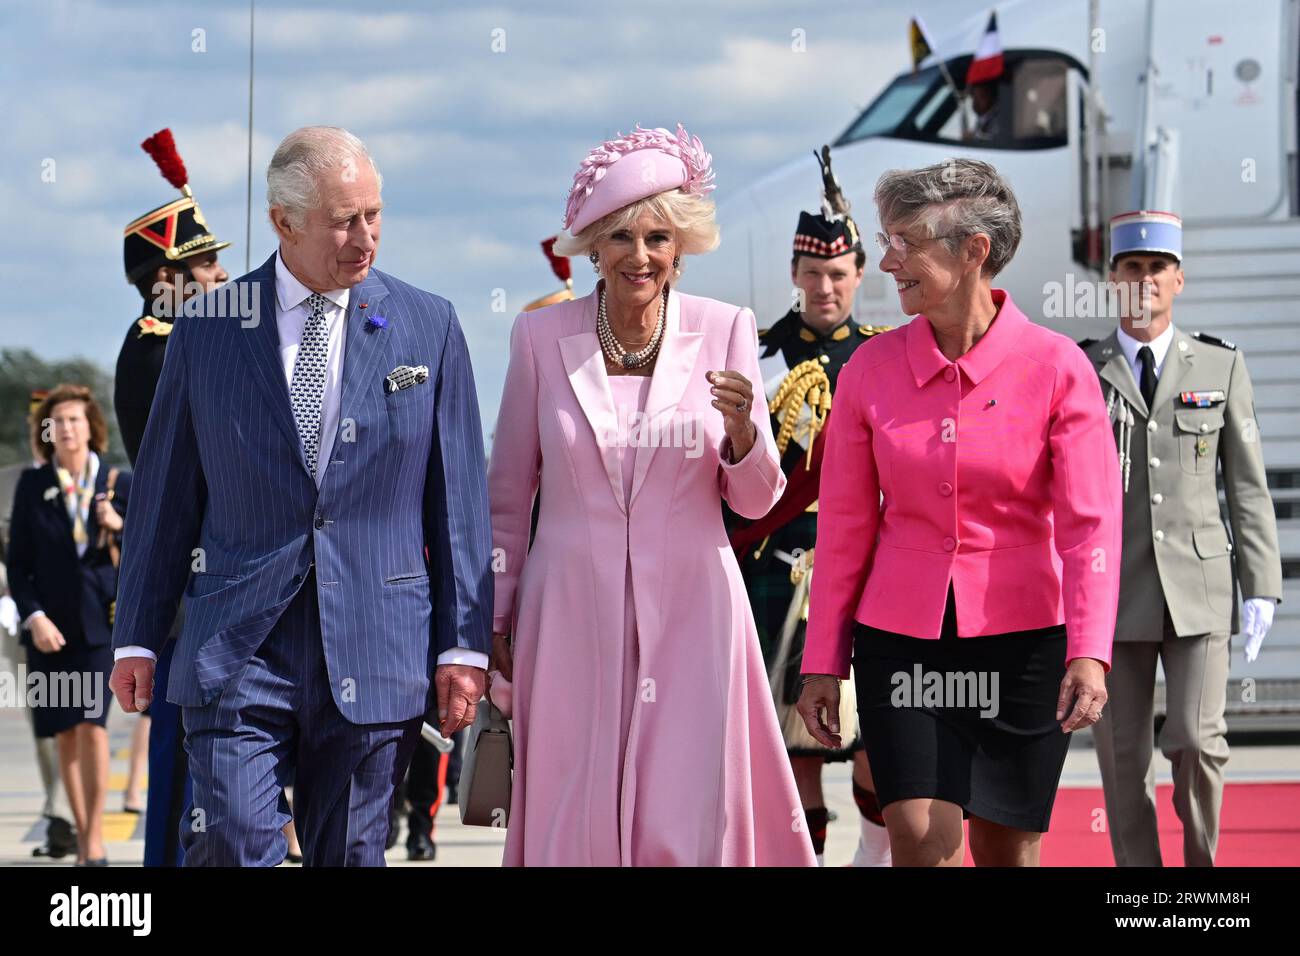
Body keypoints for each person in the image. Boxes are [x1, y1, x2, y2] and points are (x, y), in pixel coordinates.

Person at [108, 125, 494, 867]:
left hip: (377, 639)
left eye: (374, 214)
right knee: (228, 841)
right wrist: (137, 633)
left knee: (349, 853)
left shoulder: (429, 326)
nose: (366, 237)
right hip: (237, 646)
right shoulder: (207, 329)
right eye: (344, 220)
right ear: (283, 222)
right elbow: (165, 495)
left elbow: (458, 506)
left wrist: (461, 643)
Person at [488, 124, 816, 866]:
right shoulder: (539, 340)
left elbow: (757, 501)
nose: (642, 256)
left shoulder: (726, 329)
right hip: (568, 605)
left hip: (696, 606)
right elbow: (507, 496)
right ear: (594, 248)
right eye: (623, 237)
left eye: (660, 238)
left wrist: (741, 432)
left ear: (683, 247)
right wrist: (497, 615)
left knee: (686, 802)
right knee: (573, 798)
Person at [797, 158, 1122, 867]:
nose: (887, 261)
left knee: (1007, 850)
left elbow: (1090, 527)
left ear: (973, 250)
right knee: (919, 838)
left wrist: (1090, 652)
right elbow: (845, 529)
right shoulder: (868, 372)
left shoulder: (1059, 367)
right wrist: (823, 660)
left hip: (1027, 643)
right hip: (901, 642)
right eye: (887, 241)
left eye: (906, 241)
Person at [1083, 210, 1283, 867]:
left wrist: (1262, 588)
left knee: (1198, 742)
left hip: (1199, 591)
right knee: (1123, 762)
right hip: (1114, 599)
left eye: (1157, 268)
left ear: (1178, 280)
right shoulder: (1085, 370)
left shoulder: (1219, 366)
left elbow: (1247, 489)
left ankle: (1202, 875)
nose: (1145, 280)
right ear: (1113, 279)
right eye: (1132, 268)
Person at [728, 146, 892, 866]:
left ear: (858, 276)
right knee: (793, 743)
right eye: (813, 274)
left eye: (838, 274)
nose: (825, 287)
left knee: (875, 739)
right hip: (780, 560)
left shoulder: (888, 357)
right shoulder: (761, 356)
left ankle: (878, 856)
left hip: (868, 569)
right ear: (794, 275)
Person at [115, 127, 232, 866]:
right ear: (167, 277)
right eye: (205, 261)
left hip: (210, 577)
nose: (221, 273)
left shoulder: (184, 340)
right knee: (190, 765)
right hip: (195, 581)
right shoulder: (160, 349)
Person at [7, 384, 131, 866]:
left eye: (75, 420)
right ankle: (81, 833)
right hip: (49, 631)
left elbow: (154, 544)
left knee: (93, 727)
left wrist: (119, 525)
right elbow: (18, 563)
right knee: (65, 732)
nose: (66, 429)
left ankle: (96, 837)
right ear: (47, 431)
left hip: (102, 625)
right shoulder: (34, 486)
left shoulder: (119, 482)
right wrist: (33, 616)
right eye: (57, 422)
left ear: (91, 427)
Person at [1, 390, 77, 859]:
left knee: (78, 723)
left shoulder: (87, 478)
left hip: (78, 620)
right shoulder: (9, 483)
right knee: (44, 722)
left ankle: (65, 816)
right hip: (19, 619)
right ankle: (60, 812)